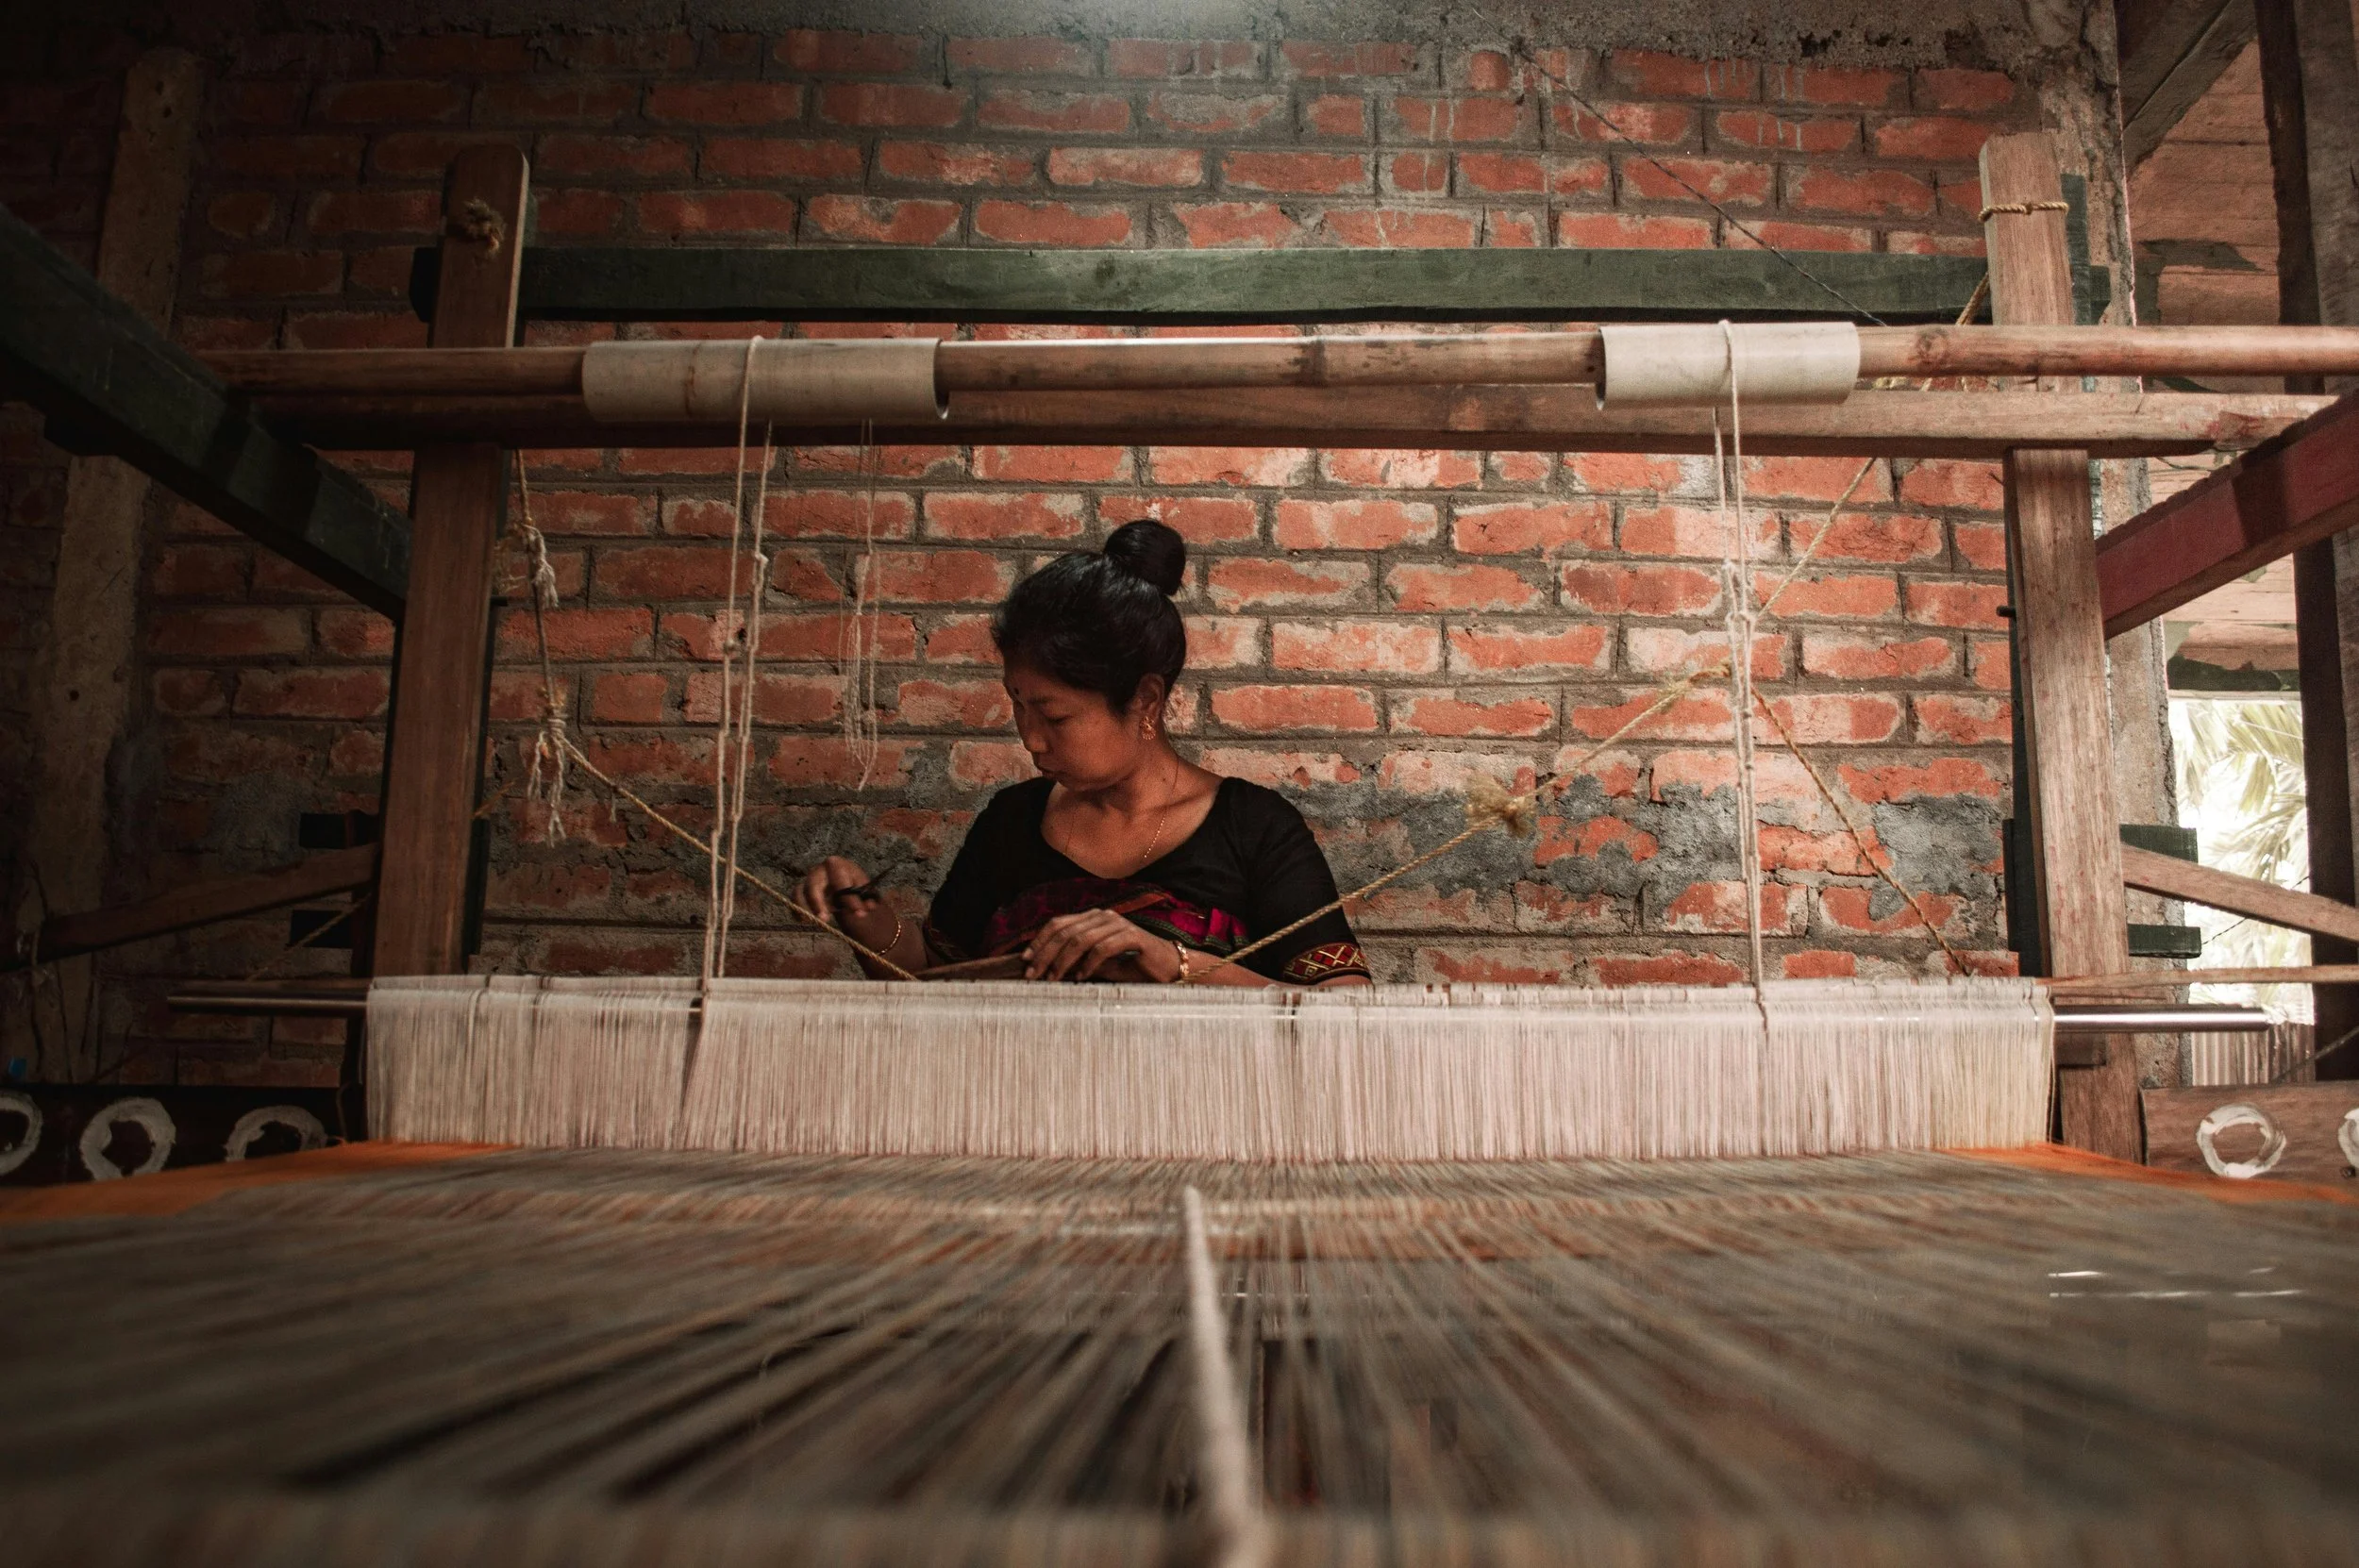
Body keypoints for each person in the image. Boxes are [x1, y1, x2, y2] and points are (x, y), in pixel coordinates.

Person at [799, 520, 1371, 987]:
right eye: (1018, 707)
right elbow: (941, 985)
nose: (1031, 738)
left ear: (1145, 699)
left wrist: (1173, 963)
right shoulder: (1010, 823)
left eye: (1055, 715)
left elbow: (1345, 1012)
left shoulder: (1255, 830)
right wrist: (870, 923)